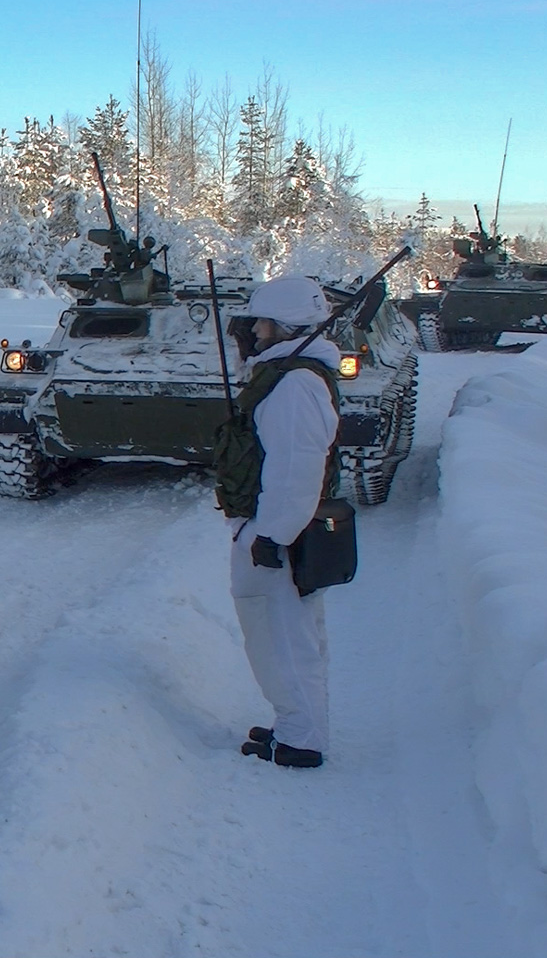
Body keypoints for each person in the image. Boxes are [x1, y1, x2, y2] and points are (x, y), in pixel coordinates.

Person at [217, 276, 340, 770]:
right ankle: (296, 723)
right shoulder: (288, 377)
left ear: (283, 327)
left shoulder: (293, 386)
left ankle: (301, 740)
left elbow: (296, 470)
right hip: (273, 529)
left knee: (280, 637)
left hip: (276, 535)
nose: (254, 331)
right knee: (284, 635)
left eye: (261, 322)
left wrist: (270, 536)